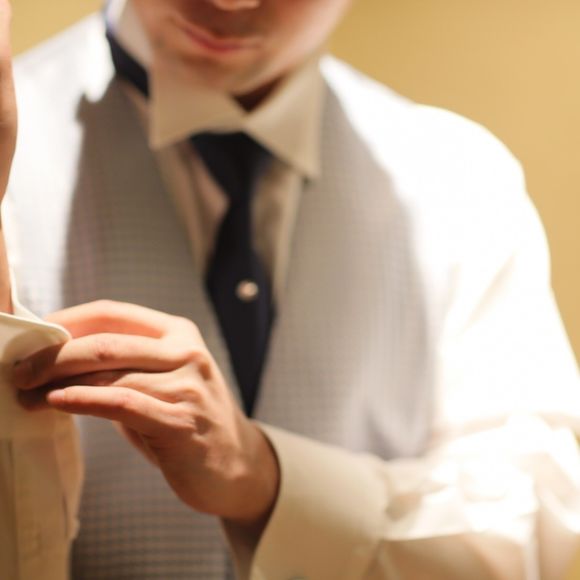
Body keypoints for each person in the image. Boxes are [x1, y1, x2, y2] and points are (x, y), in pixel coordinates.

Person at [1, 0, 580, 578]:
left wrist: (266, 481)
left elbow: (536, 530)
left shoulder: (462, 185)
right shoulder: (10, 166)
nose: (230, 2)